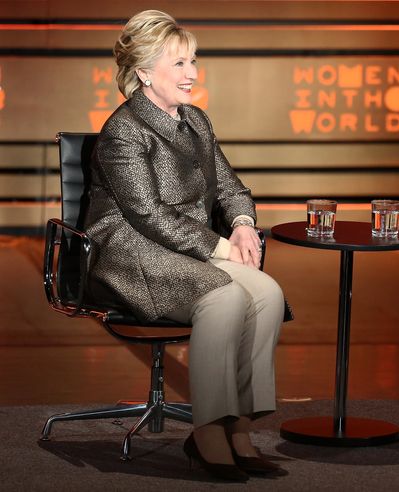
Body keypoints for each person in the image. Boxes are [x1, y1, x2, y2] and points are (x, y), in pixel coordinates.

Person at [84, 10, 286, 481]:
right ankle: (209, 429)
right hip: (130, 251)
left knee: (267, 292)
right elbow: (147, 216)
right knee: (225, 295)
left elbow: (232, 187)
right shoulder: (124, 130)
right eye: (177, 63)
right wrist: (220, 247)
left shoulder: (195, 120)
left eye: (193, 60)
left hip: (187, 247)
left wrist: (239, 223)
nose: (192, 73)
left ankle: (239, 425)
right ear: (144, 72)